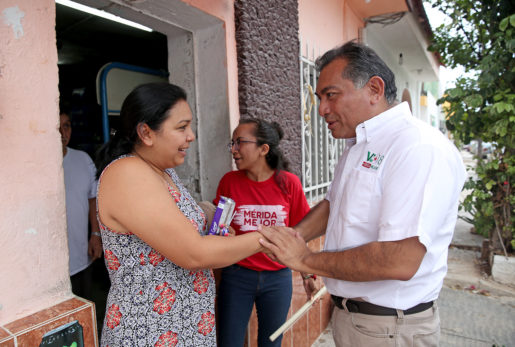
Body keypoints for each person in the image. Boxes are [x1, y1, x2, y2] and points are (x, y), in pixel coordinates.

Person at [259, 41, 467, 347]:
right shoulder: (360, 143)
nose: (322, 110)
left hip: (390, 327)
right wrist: (296, 235)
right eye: (320, 98)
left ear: (374, 89)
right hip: (356, 318)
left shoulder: (416, 148)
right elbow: (335, 204)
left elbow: (399, 260)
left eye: (331, 95)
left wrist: (306, 260)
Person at [95, 82, 264, 346]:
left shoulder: (164, 172)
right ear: (146, 133)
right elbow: (193, 253)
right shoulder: (127, 173)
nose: (191, 136)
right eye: (182, 127)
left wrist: (213, 231)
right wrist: (266, 239)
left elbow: (179, 233)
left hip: (184, 327)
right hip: (149, 332)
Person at [214, 118, 311, 347]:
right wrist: (220, 230)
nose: (234, 150)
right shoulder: (229, 182)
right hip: (237, 276)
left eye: (240, 143)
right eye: (232, 143)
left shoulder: (289, 184)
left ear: (263, 149)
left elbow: (301, 234)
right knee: (229, 342)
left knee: (271, 342)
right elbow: (217, 229)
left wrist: (308, 275)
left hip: (278, 279)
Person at [60, 110, 103, 299]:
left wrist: (95, 235)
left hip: (80, 257)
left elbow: (93, 199)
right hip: (49, 269)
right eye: (57, 127)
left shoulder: (83, 159)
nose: (62, 133)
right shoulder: (31, 167)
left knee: (85, 308)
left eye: (66, 126)